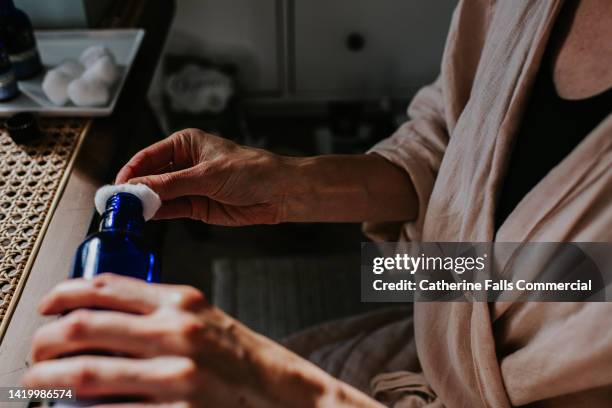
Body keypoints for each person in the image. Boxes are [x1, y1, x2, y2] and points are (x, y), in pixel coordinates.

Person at [23, 0, 612, 406]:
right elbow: (454, 131)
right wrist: (288, 183)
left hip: (464, 338)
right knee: (384, 277)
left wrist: (288, 388)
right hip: (447, 296)